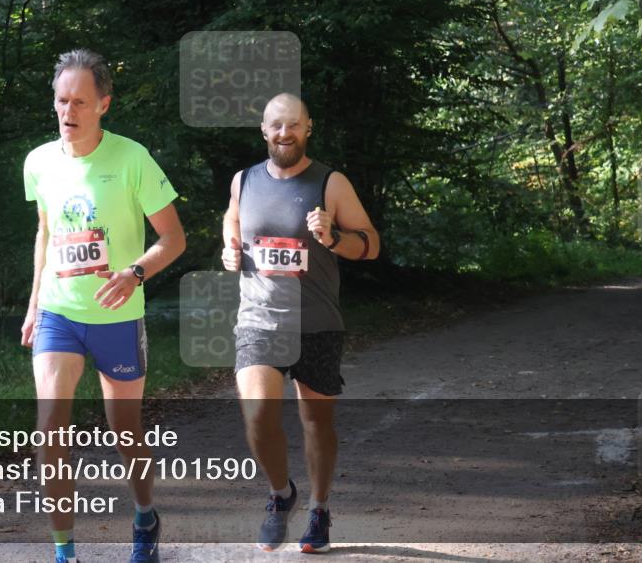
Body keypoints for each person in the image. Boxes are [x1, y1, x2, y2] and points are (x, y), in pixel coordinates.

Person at [22, 49, 186, 563]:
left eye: (79, 102)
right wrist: (34, 303)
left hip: (117, 315)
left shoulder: (132, 159)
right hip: (59, 313)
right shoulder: (39, 162)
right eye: (61, 100)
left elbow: (174, 239)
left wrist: (134, 273)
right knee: (50, 428)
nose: (67, 111)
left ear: (103, 104)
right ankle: (64, 552)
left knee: (125, 430)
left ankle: (145, 515)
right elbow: (45, 233)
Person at [221, 93, 379, 554]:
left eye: (293, 125)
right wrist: (230, 247)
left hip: (317, 322)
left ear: (308, 128)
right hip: (259, 320)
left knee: (316, 422)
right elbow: (232, 220)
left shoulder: (331, 182)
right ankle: (280, 494)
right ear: (264, 131)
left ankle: (319, 508)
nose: (284, 133)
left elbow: (370, 244)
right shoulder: (244, 180)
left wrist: (333, 237)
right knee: (257, 415)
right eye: (276, 125)